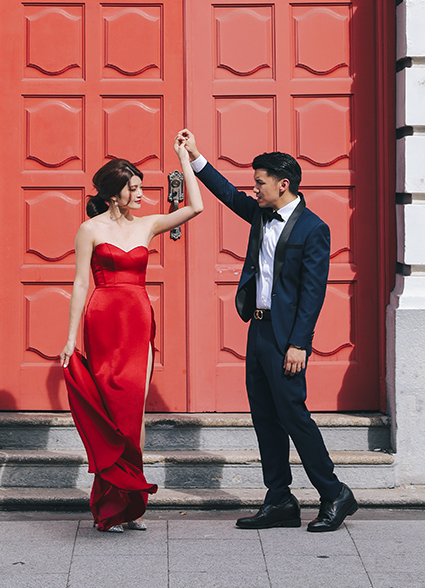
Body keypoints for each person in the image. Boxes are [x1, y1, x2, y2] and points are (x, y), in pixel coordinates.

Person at [174, 129, 358, 534]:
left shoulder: (313, 229)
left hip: (285, 338)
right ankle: (279, 499)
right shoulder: (259, 213)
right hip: (256, 332)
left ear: (283, 184)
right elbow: (227, 194)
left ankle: (333, 493)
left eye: (259, 182)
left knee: (294, 416)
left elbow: (312, 294)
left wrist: (299, 344)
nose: (253, 189)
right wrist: (196, 156)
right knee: (263, 417)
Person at [60, 144, 203, 532]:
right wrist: (70, 337)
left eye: (141, 187)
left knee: (133, 413)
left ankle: (131, 503)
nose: (141, 194)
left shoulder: (148, 224)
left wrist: (184, 161)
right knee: (112, 412)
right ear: (113, 194)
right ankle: (111, 502)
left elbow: (195, 208)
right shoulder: (90, 229)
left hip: (139, 320)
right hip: (104, 320)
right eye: (133, 188)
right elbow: (78, 283)